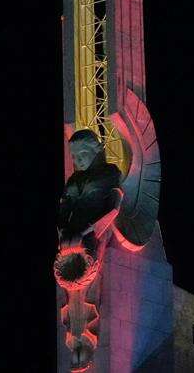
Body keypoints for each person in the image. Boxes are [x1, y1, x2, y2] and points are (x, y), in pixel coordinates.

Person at [54, 129, 122, 371]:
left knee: (89, 288)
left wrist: (88, 230)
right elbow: (63, 209)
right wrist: (63, 231)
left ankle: (87, 340)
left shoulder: (110, 173)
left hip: (93, 237)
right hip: (69, 242)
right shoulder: (73, 180)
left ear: (97, 150)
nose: (78, 160)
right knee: (70, 292)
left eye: (82, 154)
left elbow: (113, 207)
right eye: (74, 156)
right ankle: (74, 339)